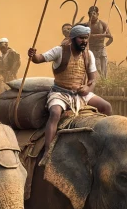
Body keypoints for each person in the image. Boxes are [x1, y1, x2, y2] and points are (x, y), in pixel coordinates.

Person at [29, 25, 114, 166]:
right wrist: (33, 56)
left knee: (106, 107)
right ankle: (47, 152)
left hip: (80, 94)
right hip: (60, 93)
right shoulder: (59, 51)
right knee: (55, 113)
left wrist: (87, 88)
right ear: (73, 38)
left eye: (86, 38)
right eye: (81, 38)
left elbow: (93, 79)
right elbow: (40, 58)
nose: (84, 41)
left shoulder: (89, 54)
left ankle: (107, 143)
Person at [85, 6, 114, 78]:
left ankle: (104, 81)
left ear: (97, 14)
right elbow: (85, 36)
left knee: (103, 69)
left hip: (101, 48)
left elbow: (110, 36)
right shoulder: (86, 25)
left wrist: (106, 42)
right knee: (94, 68)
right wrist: (101, 35)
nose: (92, 15)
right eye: (90, 14)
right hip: (91, 49)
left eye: (94, 13)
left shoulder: (103, 24)